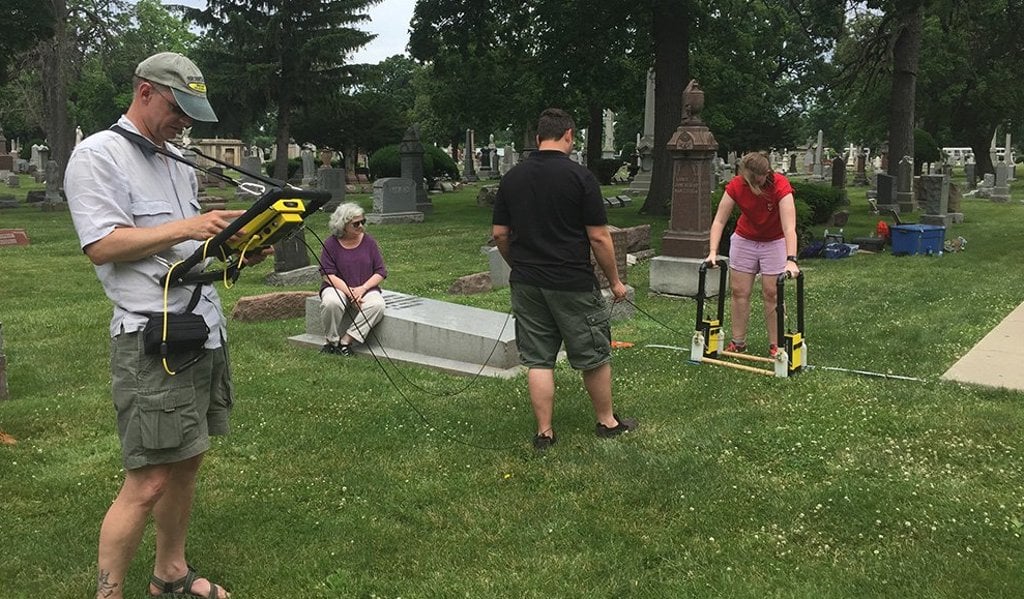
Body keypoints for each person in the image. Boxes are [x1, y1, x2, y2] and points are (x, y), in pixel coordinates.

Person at [65, 52, 250, 599]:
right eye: (178, 107)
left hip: (201, 329)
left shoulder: (172, 158)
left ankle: (170, 574)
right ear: (145, 92)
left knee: (188, 459)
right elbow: (103, 246)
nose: (185, 121)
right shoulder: (99, 155)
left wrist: (233, 249)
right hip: (153, 342)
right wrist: (191, 224)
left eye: (193, 112)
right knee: (146, 480)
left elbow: (179, 250)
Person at [492, 108, 637, 451]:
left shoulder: (512, 178)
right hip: (571, 282)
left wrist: (518, 264)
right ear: (569, 135)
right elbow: (600, 237)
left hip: (527, 282)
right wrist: (615, 281)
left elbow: (500, 234)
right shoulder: (580, 177)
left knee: (539, 358)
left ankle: (545, 432)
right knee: (593, 353)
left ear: (540, 137)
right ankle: (607, 421)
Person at [706, 151, 801, 358]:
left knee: (772, 293)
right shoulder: (736, 185)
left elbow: (789, 227)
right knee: (739, 291)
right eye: (748, 177)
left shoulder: (780, 186)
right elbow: (719, 221)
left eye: (757, 178)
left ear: (766, 173)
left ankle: (777, 346)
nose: (752, 182)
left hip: (774, 240)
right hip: (744, 239)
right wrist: (713, 252)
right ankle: (738, 342)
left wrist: (791, 260)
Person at [318, 202, 388, 356]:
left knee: (377, 305)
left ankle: (346, 340)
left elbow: (380, 271)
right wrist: (350, 293)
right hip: (337, 287)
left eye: (363, 221)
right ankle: (331, 341)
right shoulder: (331, 244)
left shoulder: (369, 242)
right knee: (331, 302)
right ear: (343, 225)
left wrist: (362, 289)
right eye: (356, 224)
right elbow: (327, 274)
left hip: (365, 287)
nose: (361, 226)